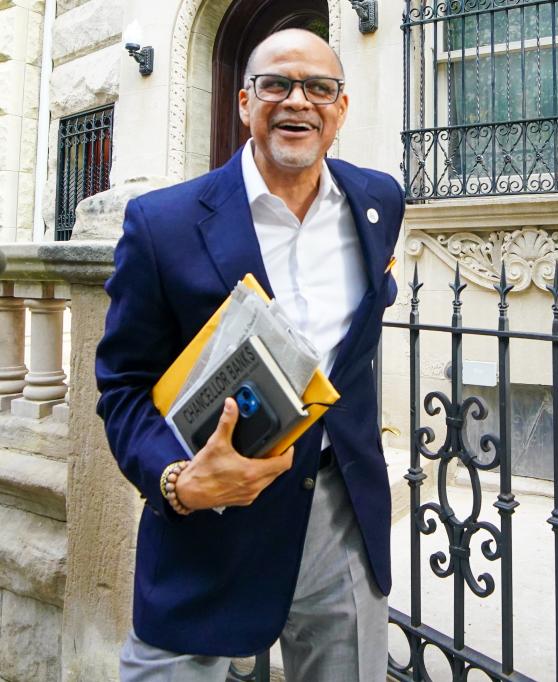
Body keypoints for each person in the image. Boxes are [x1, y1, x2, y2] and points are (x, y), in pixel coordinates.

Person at [95, 28, 402, 681]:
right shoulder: (163, 223)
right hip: (208, 523)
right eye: (277, 85)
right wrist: (178, 483)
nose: (299, 101)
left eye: (319, 87)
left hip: (339, 515)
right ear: (243, 102)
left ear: (341, 109)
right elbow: (123, 386)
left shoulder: (378, 203)